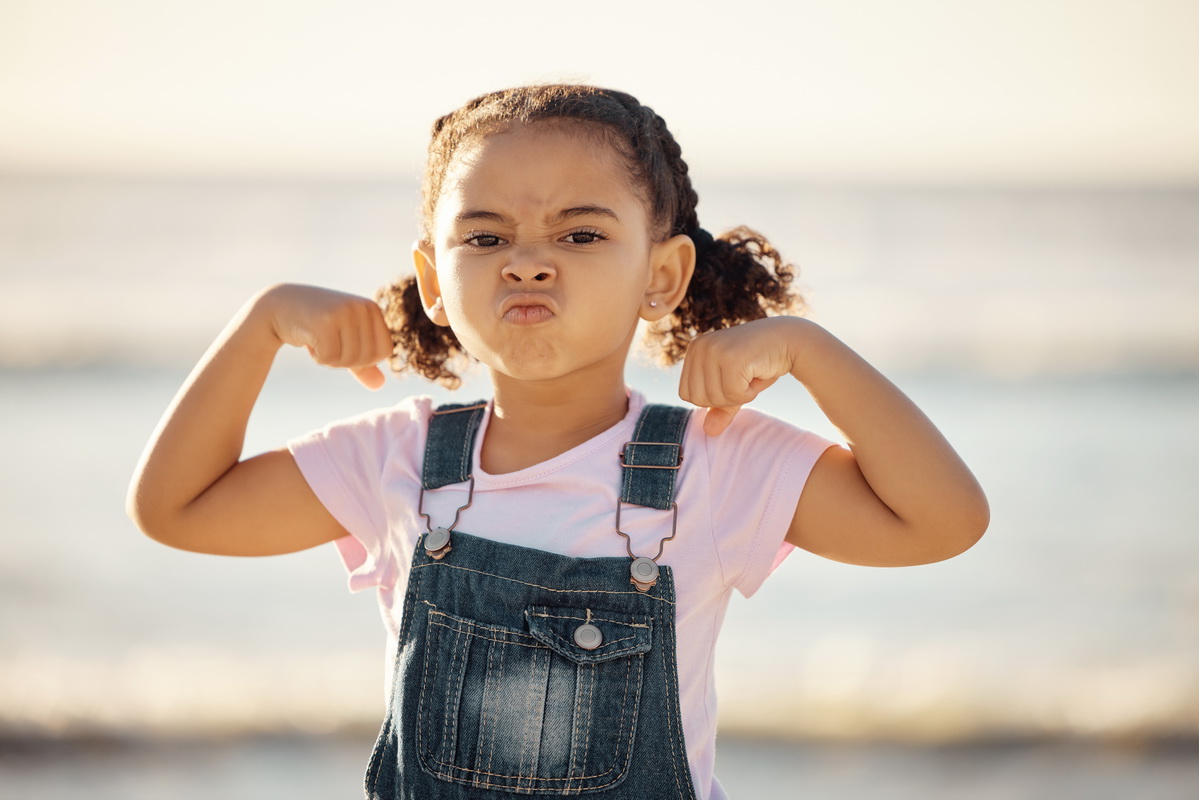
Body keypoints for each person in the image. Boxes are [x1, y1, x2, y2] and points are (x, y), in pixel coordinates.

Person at [127, 85, 989, 800]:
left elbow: (940, 523)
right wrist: (261, 323)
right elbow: (177, 510)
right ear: (433, 280)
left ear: (661, 275)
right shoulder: (389, 459)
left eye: (581, 234)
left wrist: (810, 351)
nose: (527, 262)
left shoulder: (716, 464)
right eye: (485, 235)